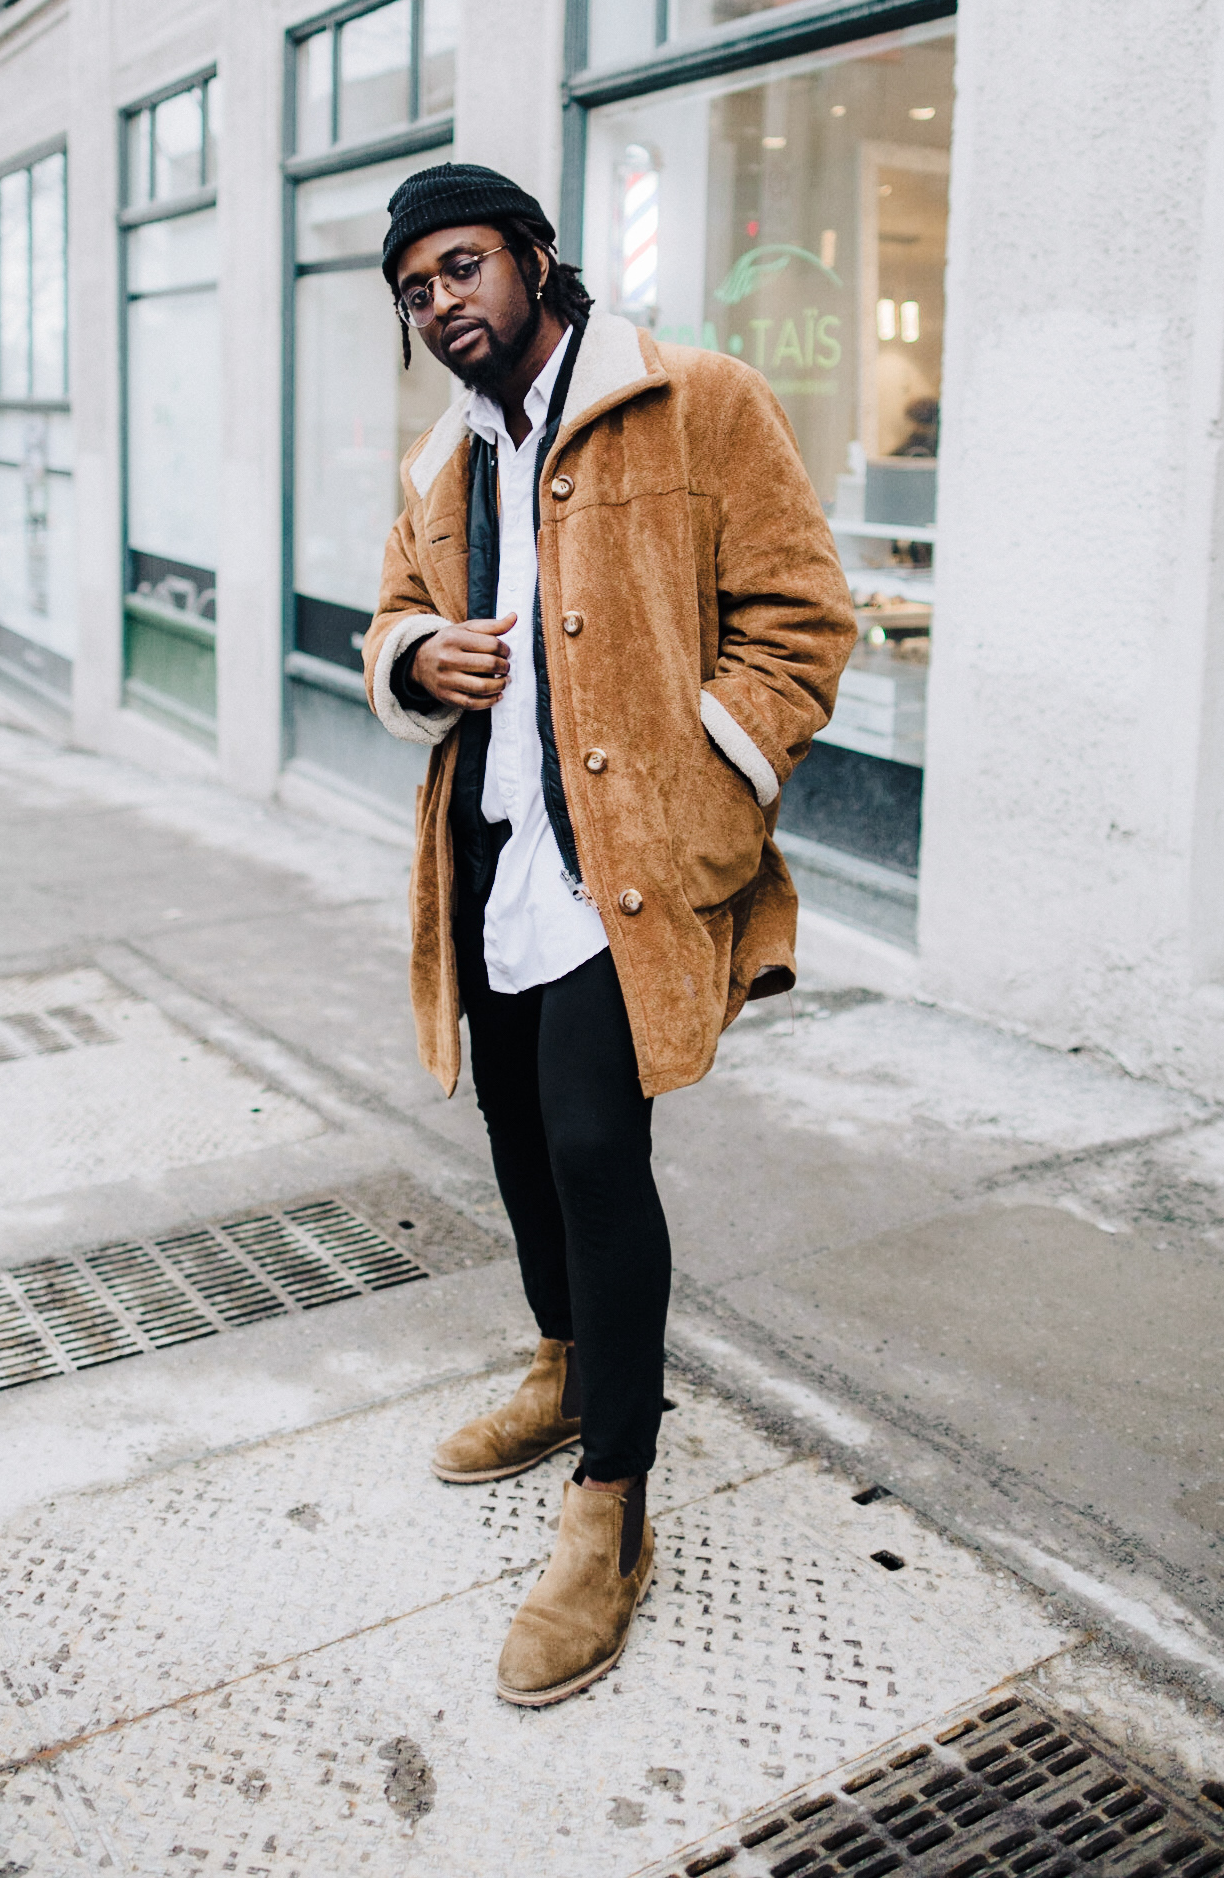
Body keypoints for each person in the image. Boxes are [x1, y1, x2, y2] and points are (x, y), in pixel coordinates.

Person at [363, 162, 855, 1707]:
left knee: (592, 1146)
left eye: (461, 266)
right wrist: (415, 657)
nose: (442, 302)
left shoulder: (695, 400)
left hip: (626, 868)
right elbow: (387, 612)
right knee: (517, 1138)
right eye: (416, 290)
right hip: (493, 853)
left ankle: (613, 1506)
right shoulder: (444, 460)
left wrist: (708, 788)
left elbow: (802, 618)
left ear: (532, 256)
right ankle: (568, 1368)